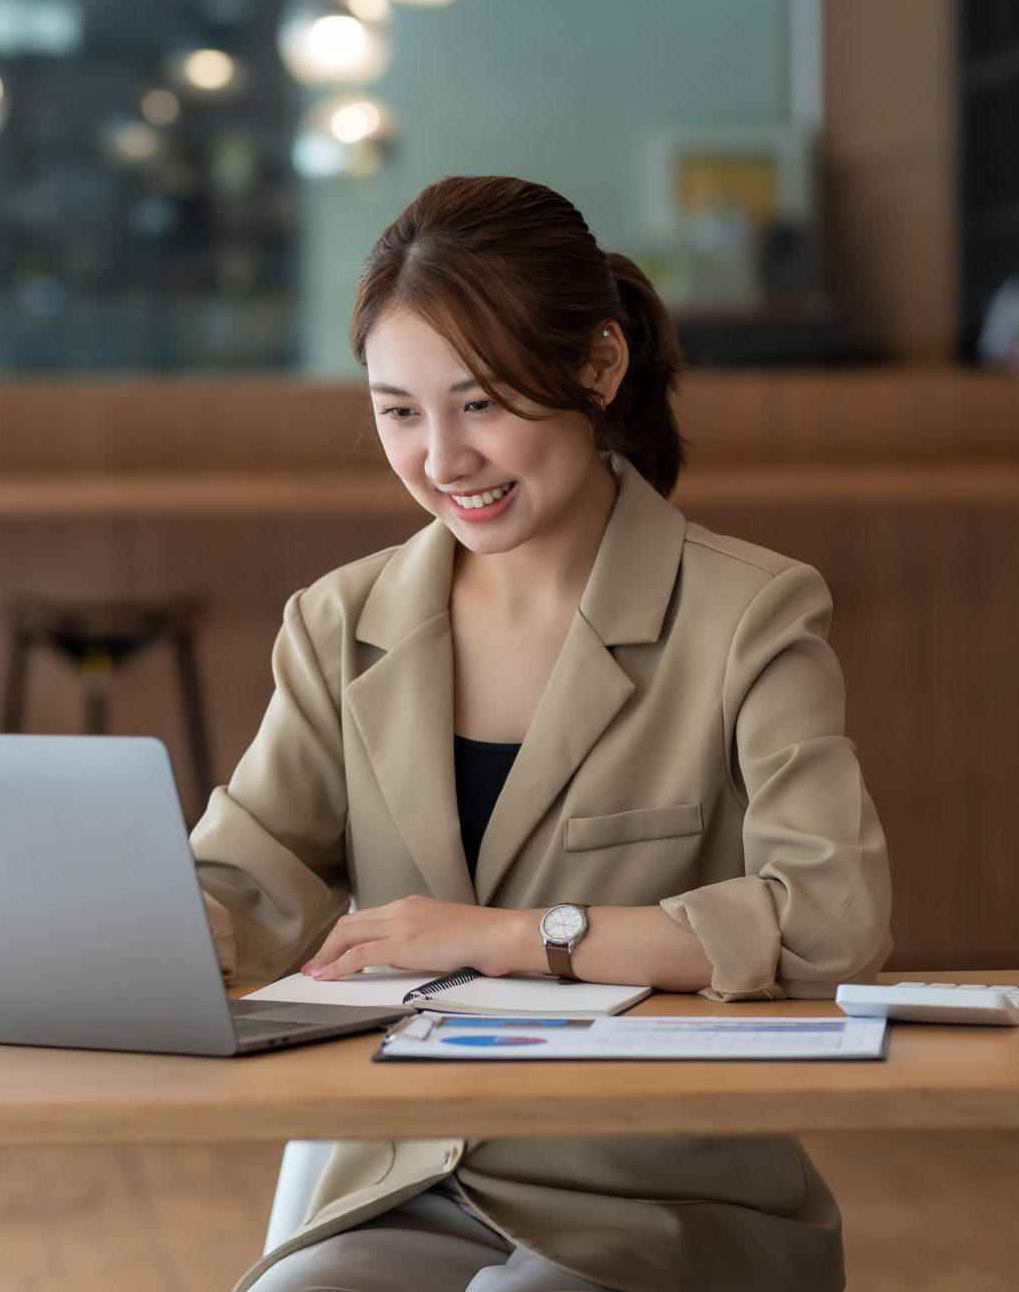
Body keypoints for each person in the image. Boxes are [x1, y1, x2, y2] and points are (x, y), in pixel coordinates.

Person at [193, 175, 891, 1292]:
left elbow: (830, 920)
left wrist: (515, 935)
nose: (441, 458)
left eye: (480, 403)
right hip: (405, 1178)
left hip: (664, 1191)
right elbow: (243, 878)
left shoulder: (747, 613)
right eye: (397, 411)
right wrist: (125, 926)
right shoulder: (339, 622)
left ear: (597, 366)